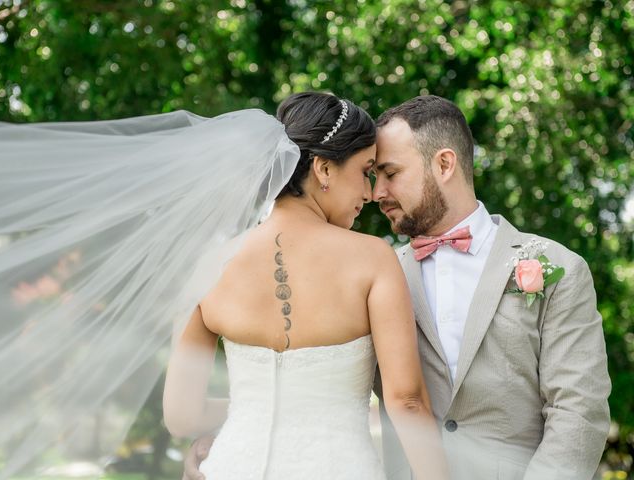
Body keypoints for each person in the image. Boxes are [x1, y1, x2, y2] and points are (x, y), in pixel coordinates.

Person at [183, 95, 611, 480]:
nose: (376, 192)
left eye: (388, 173)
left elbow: (578, 414)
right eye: (371, 173)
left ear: (444, 164)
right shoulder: (375, 270)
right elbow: (317, 386)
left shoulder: (557, 268)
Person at [163, 92, 448, 480]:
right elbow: (407, 402)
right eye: (365, 171)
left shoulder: (211, 266)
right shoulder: (372, 260)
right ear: (324, 169)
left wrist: (255, 408)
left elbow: (181, 416)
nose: (369, 193)